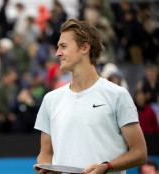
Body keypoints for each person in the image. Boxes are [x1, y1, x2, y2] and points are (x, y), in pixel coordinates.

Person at [33, 18, 147, 174]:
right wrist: (47, 167)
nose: (57, 53)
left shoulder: (117, 95)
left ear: (85, 47)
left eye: (63, 46)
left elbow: (140, 153)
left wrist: (107, 167)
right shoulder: (50, 99)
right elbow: (45, 153)